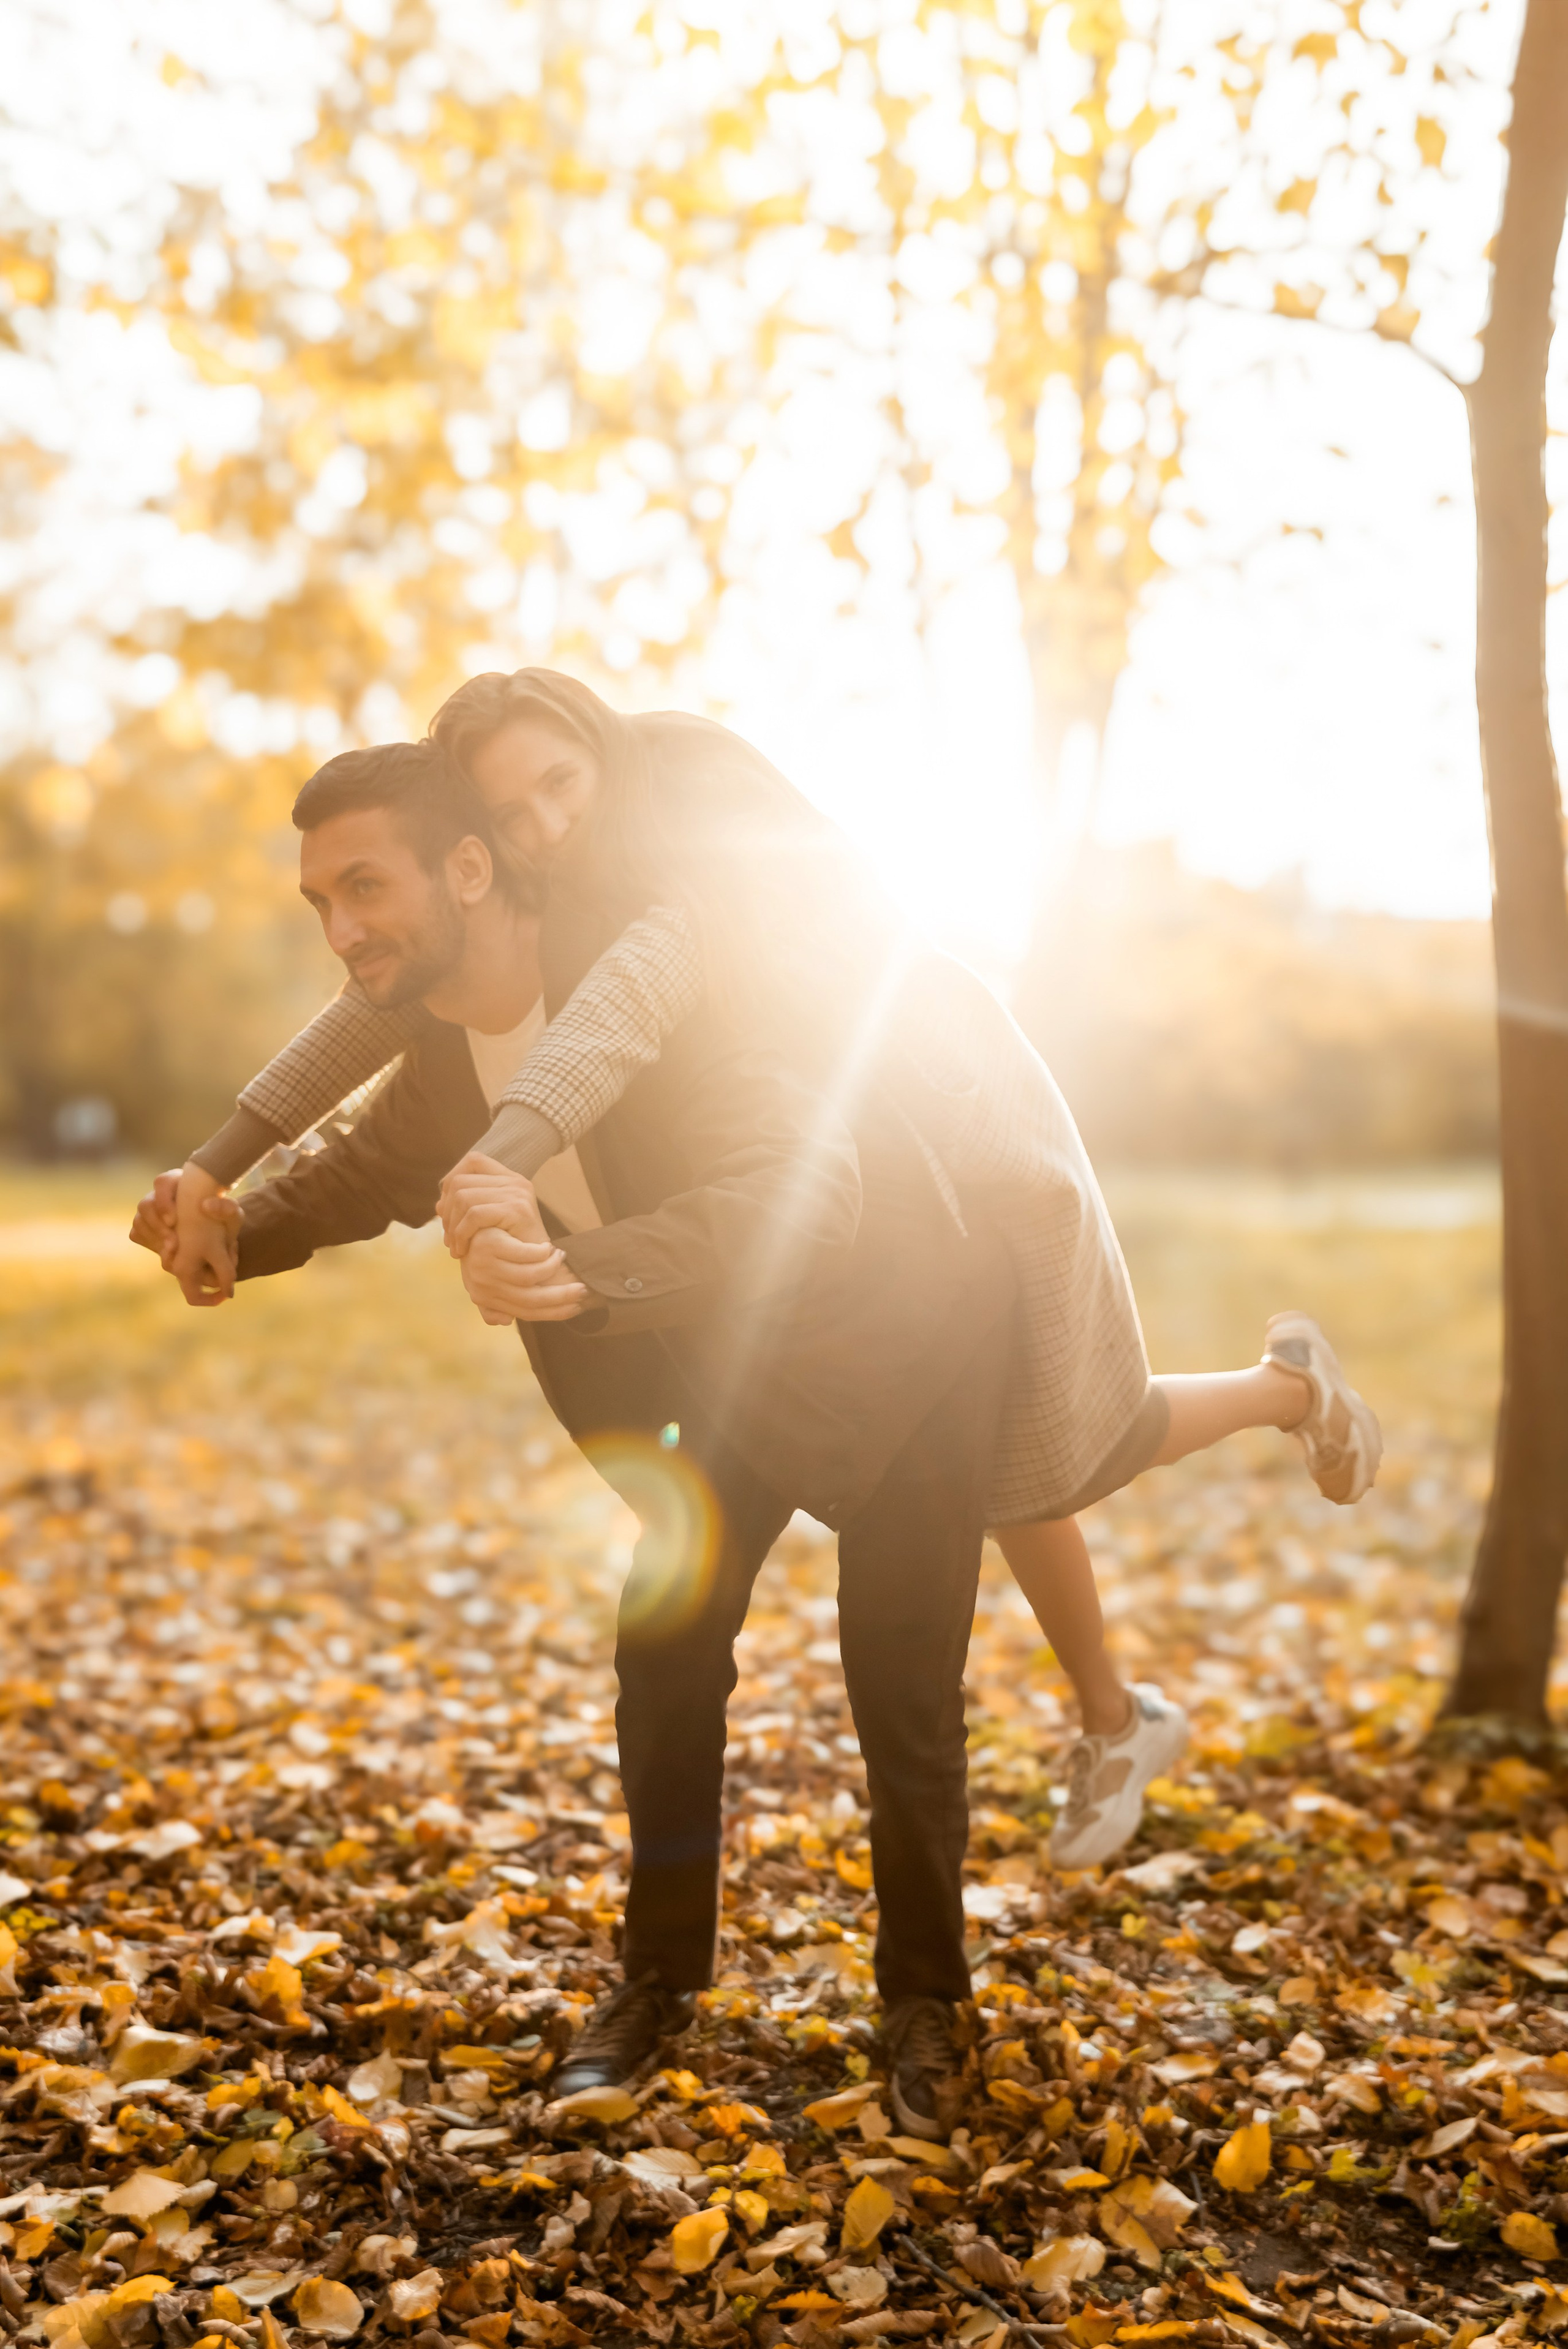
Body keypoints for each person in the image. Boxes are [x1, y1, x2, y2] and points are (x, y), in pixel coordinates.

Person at [151, 670, 1382, 1870]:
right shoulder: (537, 914)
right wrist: (219, 1172)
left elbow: (618, 1017)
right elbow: (373, 1019)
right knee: (1020, 1458)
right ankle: (1185, 1581)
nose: (545, 827)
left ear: (606, 752)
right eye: (510, 814)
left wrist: (503, 1159)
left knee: (1065, 1433)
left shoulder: (679, 850)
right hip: (814, 1226)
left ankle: (1133, 1683)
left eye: (559, 786)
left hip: (926, 1125)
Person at [135, 737, 1027, 2135]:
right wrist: (234, 1227)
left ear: (472, 869)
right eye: (320, 901)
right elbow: (371, 1171)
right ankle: (659, 1977)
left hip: (895, 1342)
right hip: (722, 1378)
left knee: (898, 1693)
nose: (343, 928)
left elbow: (800, 1190)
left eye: (365, 884)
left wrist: (583, 1271)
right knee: (664, 1653)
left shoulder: (670, 988)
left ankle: (926, 1999)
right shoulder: (446, 1042)